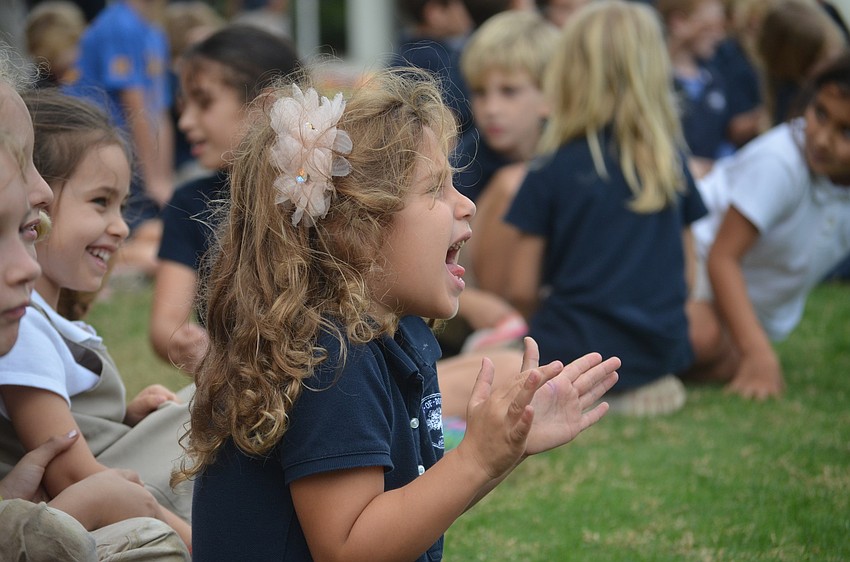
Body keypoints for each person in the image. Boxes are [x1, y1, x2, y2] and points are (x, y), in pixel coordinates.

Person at [180, 67, 620, 560]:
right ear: (358, 228)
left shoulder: (394, 337)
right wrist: (475, 458)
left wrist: (499, 452)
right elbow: (348, 547)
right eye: (436, 189)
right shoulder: (330, 356)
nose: (467, 205)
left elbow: (414, 508)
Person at [0, 53, 188, 560]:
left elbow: (65, 424)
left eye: (123, 206)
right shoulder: (25, 330)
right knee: (215, 410)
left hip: (112, 482)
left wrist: (124, 416)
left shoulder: (37, 323)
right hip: (108, 498)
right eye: (100, 202)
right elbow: (70, 468)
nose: (121, 226)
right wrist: (190, 537)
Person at [504, 0, 707, 417]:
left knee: (480, 350)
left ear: (567, 74)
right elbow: (687, 277)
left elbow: (521, 287)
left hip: (571, 357)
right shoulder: (671, 163)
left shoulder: (551, 166)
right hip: (657, 360)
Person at [684, 50, 850, 399]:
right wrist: (757, 352)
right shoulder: (782, 162)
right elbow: (721, 257)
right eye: (820, 113)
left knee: (717, 350)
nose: (821, 138)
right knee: (701, 337)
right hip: (688, 254)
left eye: (846, 132)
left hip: (735, 303)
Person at [150, 25, 301, 374]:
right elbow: (165, 325)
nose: (185, 122)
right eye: (183, 106)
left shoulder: (321, 190)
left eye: (204, 103)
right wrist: (186, 343)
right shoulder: (190, 203)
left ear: (267, 105)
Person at [63, 0, 174, 277]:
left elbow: (159, 110)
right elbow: (134, 106)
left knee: (161, 235)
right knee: (152, 245)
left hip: (133, 157)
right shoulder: (119, 24)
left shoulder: (154, 31)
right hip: (96, 151)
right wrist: (154, 180)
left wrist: (164, 181)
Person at [655, 0, 735, 175]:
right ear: (679, 22)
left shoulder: (715, 80)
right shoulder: (652, 80)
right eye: (710, 27)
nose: (720, 36)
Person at [391, 0, 474, 134]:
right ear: (434, 12)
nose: (463, 12)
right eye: (457, 4)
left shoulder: (401, 55)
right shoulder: (440, 60)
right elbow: (461, 115)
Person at [24, 1, 87, 88]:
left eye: (64, 68)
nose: (61, 78)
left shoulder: (93, 65)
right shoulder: (40, 85)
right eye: (52, 70)